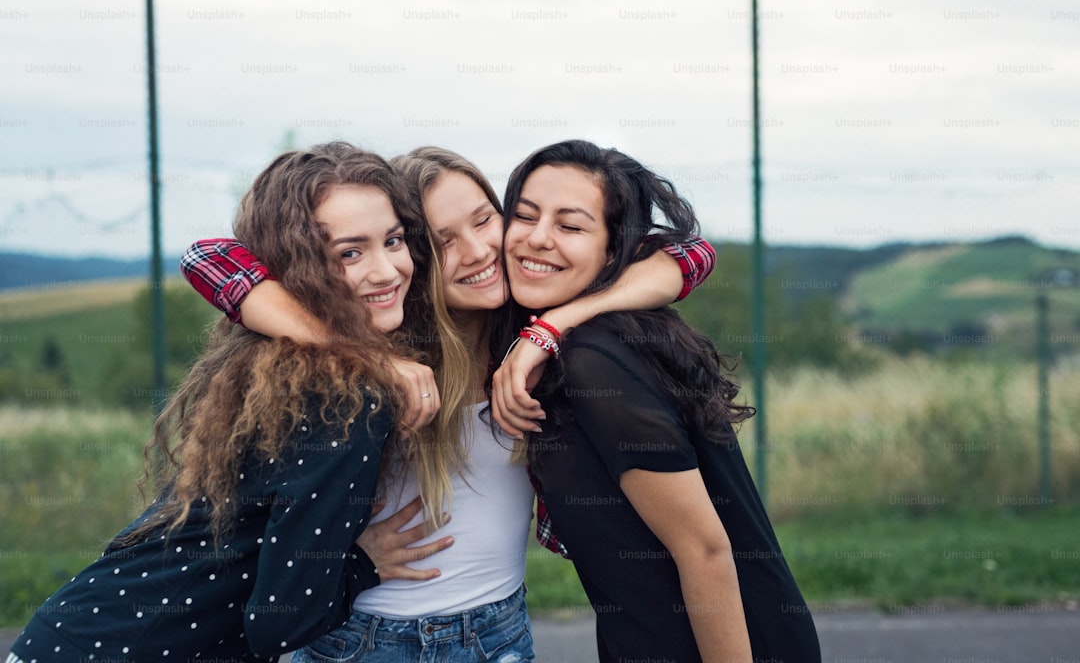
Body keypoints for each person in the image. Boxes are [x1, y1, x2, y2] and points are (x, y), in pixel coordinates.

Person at [178, 145, 717, 662]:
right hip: (364, 641)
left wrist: (553, 326)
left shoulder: (527, 330)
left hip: (499, 635)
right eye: (443, 241)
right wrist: (360, 355)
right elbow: (207, 258)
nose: (479, 251)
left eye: (484, 221)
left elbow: (692, 254)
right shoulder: (382, 343)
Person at [6, 142, 446, 663]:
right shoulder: (349, 401)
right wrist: (364, 563)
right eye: (349, 253)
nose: (386, 270)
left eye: (392, 240)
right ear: (295, 267)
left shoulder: (285, 365)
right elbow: (281, 623)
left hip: (68, 636)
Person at [498, 140, 821, 663]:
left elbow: (705, 550)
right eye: (524, 215)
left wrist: (557, 325)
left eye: (571, 226)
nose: (538, 239)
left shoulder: (594, 357)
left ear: (614, 250)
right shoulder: (574, 340)